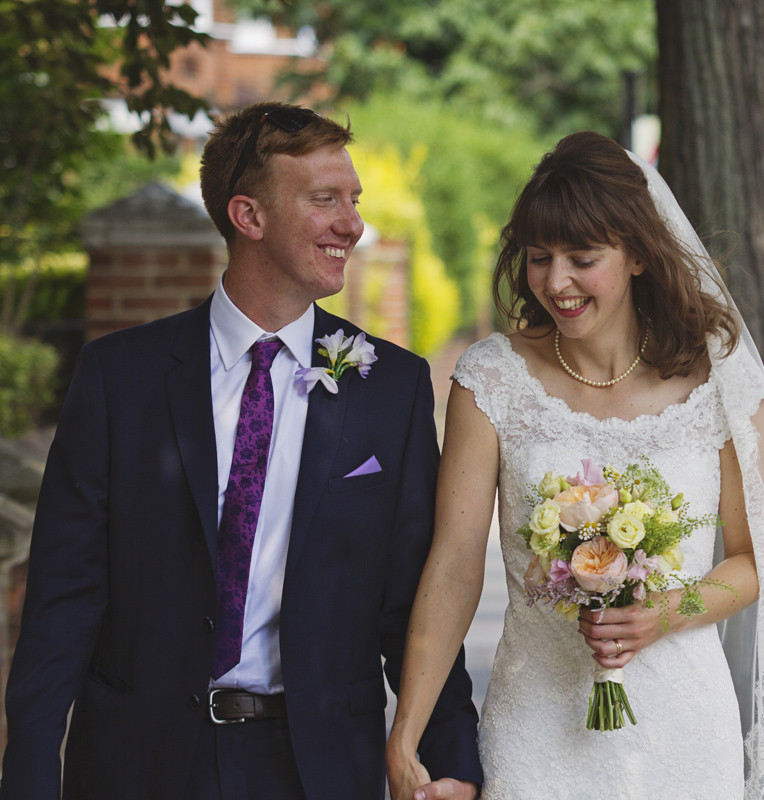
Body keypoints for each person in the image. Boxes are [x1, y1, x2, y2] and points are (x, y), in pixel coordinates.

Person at [1, 102, 481, 800]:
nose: (351, 223)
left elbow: (413, 600)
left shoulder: (391, 386)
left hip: (318, 768)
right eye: (324, 200)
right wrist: (28, 779)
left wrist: (453, 763)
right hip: (141, 765)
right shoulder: (118, 379)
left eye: (354, 200)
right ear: (248, 217)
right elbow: (62, 601)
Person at [386, 132, 764, 799]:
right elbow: (454, 565)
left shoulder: (716, 379)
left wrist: (667, 611)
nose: (555, 282)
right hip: (538, 721)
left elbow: (750, 561)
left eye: (582, 257)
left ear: (634, 254)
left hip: (684, 727)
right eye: (539, 258)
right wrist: (407, 732)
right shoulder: (491, 380)